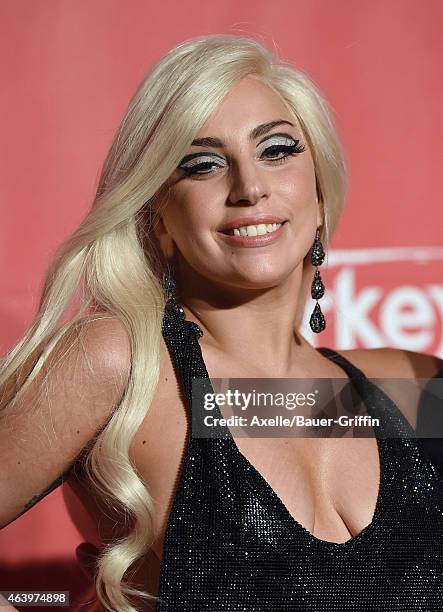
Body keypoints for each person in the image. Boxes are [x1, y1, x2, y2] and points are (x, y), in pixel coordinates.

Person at [1, 33, 443, 612]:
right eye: (202, 164)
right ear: (158, 213)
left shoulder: (411, 391)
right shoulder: (121, 367)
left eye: (278, 149)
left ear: (319, 193)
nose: (250, 187)